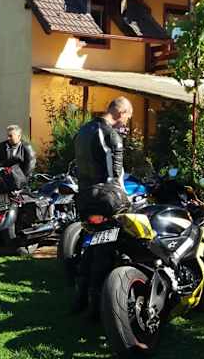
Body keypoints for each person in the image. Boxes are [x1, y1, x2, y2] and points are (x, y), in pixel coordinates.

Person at [72, 96, 133, 313]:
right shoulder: (110, 134)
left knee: (91, 246)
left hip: (85, 197)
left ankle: (80, 297)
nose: (126, 122)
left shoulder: (83, 131)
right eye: (127, 117)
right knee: (105, 250)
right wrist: (125, 200)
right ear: (120, 112)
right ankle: (97, 306)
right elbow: (115, 175)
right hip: (106, 199)